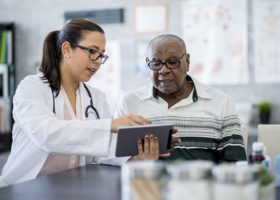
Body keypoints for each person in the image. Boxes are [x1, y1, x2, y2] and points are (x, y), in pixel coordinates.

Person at [0, 19, 163, 187]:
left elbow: (101, 151)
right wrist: (110, 125)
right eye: (93, 51)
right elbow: (47, 135)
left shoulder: (96, 97)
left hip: (72, 187)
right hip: (24, 188)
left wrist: (135, 157)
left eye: (101, 55)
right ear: (67, 49)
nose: (98, 61)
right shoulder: (32, 87)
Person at [115, 34, 247, 163]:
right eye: (155, 63)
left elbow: (234, 163)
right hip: (147, 183)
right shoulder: (129, 103)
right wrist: (136, 160)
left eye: (172, 62)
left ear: (187, 62)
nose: (163, 70)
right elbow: (112, 160)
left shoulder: (221, 102)